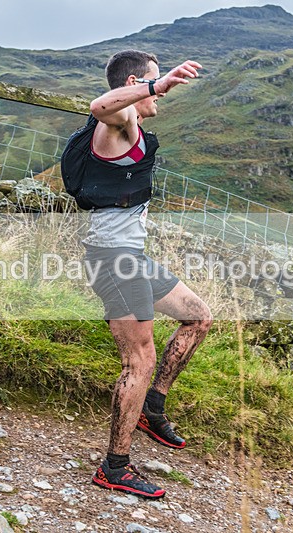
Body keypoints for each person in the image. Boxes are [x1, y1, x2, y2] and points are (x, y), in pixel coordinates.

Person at [82, 50, 213, 499]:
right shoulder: (115, 125)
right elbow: (100, 106)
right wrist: (161, 84)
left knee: (198, 317)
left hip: (132, 257)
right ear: (137, 82)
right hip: (113, 258)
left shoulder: (134, 129)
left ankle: (151, 406)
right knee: (139, 361)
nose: (162, 93)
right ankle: (114, 466)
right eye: (153, 83)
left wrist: (158, 86)